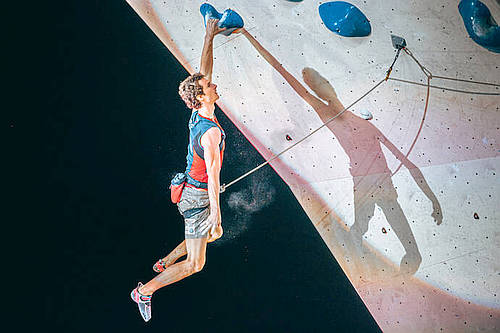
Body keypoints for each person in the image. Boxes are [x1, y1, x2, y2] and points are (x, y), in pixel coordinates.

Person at [130, 19, 226, 322]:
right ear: (201, 96)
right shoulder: (208, 131)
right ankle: (144, 292)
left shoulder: (199, 111)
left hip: (191, 191)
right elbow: (213, 175)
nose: (214, 84)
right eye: (210, 86)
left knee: (204, 239)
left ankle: (166, 259)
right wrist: (216, 215)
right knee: (196, 263)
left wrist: (209, 35)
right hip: (196, 199)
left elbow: (203, 70)